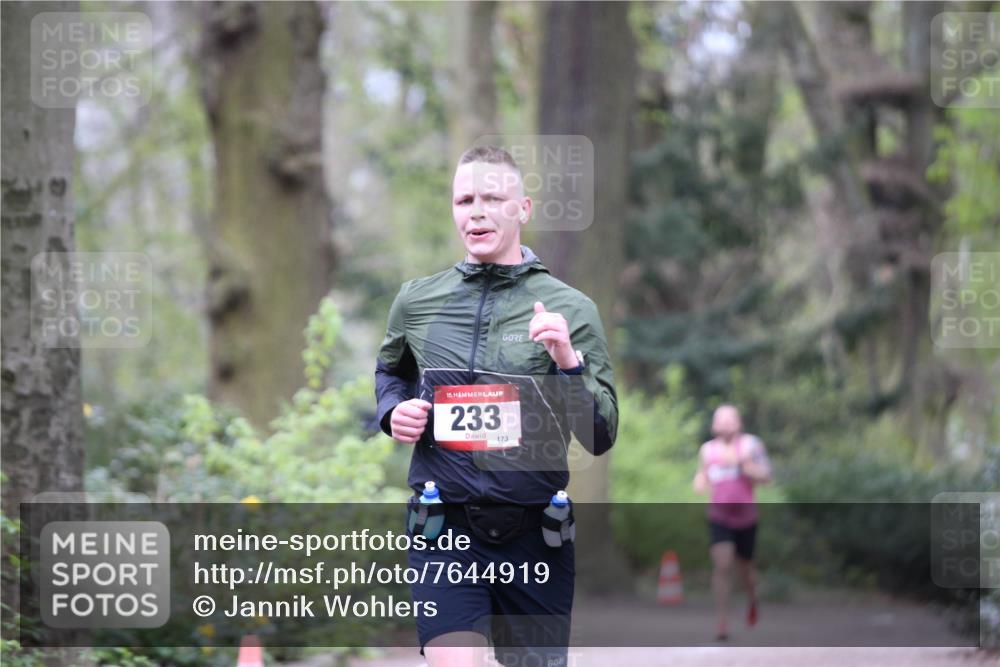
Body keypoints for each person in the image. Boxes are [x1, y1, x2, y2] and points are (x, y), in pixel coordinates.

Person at [375, 146, 618, 667]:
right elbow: (390, 372)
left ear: (523, 209)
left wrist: (567, 363)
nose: (477, 212)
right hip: (443, 528)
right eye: (465, 200)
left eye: (492, 198)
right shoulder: (417, 301)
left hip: (535, 536)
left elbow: (599, 435)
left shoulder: (571, 309)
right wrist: (392, 411)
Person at [693, 404, 771, 641]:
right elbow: (702, 478)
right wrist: (699, 481)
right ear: (714, 425)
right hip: (719, 518)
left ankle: (752, 598)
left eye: (730, 420)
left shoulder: (751, 445)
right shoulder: (708, 450)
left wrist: (744, 466)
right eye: (720, 420)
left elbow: (766, 476)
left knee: (746, 569)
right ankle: (721, 621)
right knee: (723, 565)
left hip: (747, 518)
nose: (725, 424)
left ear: (739, 423)